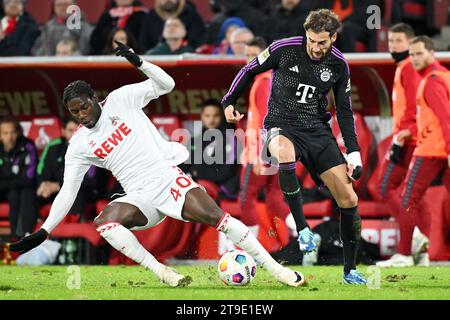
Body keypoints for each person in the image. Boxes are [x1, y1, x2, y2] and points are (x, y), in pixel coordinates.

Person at [10, 41, 305, 288]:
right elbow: (68, 191)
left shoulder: (120, 100)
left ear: (95, 99)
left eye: (84, 107)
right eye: (75, 113)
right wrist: (45, 230)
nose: (82, 115)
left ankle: (278, 270)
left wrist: (139, 62)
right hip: (139, 196)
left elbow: (167, 84)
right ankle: (163, 272)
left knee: (220, 218)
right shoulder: (78, 144)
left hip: (167, 179)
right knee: (105, 223)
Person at [222, 9, 366, 284]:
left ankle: (350, 270)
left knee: (349, 200)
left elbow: (345, 112)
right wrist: (229, 101)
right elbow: (249, 68)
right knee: (284, 154)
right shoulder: (284, 49)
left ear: (333, 38)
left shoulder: (338, 65)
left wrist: (354, 152)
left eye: (322, 42)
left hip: (317, 131)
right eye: (311, 40)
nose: (314, 47)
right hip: (280, 124)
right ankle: (302, 229)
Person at [377, 36, 450, 267]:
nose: (415, 58)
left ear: (431, 53)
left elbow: (444, 119)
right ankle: (419, 247)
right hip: (435, 147)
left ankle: (407, 252)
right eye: (413, 54)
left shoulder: (431, 81)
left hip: (429, 148)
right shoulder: (443, 76)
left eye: (419, 53)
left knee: (406, 197)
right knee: (411, 197)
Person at [374, 23, 428, 267]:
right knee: (414, 196)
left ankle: (411, 244)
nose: (392, 45)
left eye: (398, 41)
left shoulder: (408, 69)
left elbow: (418, 107)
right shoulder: (405, 69)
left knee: (382, 187)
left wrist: (406, 133)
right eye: (391, 41)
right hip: (412, 139)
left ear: (410, 43)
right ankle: (421, 244)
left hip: (409, 141)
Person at [239, 37, 295, 238]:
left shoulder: (263, 83)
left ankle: (252, 253)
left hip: (260, 154)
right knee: (274, 199)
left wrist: (261, 155)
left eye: (254, 56)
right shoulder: (273, 80)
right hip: (274, 151)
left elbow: (266, 121)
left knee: (245, 200)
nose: (249, 60)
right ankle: (305, 234)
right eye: (247, 56)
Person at [36, 117, 107, 222]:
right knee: (29, 193)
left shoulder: (92, 147)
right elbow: (41, 172)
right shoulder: (54, 147)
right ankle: (28, 234)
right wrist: (43, 184)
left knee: (74, 192)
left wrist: (58, 186)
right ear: (63, 131)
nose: (75, 134)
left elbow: (91, 180)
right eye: (70, 130)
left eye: (77, 130)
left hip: (86, 191)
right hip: (56, 190)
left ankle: (74, 235)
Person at [180, 99, 239, 202]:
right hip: (196, 187)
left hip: (221, 190)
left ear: (222, 116)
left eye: (216, 116)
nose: (211, 120)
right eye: (207, 116)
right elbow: (183, 166)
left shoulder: (229, 139)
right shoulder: (195, 140)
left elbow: (224, 173)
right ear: (202, 116)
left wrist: (196, 172)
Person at [0, 116, 38, 237]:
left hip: (21, 190)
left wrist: (8, 182)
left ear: (18, 132)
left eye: (12, 133)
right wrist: (13, 181)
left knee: (20, 193)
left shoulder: (28, 146)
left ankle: (23, 236)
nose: (9, 137)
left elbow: (29, 178)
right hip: (4, 189)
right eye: (5, 133)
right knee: (14, 191)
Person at [139, 0, 205, 53]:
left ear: (184, 31)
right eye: (168, 26)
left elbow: (200, 41)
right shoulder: (151, 17)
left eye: (176, 25)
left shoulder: (191, 15)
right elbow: (143, 44)